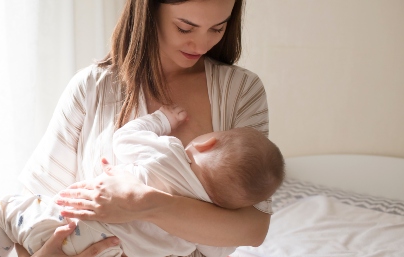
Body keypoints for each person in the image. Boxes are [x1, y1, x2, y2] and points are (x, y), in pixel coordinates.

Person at [16, 0, 273, 256]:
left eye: (217, 28)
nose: (202, 45)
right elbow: (27, 207)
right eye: (185, 28)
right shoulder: (92, 87)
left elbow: (253, 229)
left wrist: (144, 203)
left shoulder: (239, 91)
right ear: (149, 10)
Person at [0, 106, 284, 257]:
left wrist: (163, 120)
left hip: (69, 224)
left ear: (207, 142)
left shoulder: (170, 153)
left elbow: (126, 137)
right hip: (112, 252)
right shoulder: (210, 225)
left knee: (4, 210)